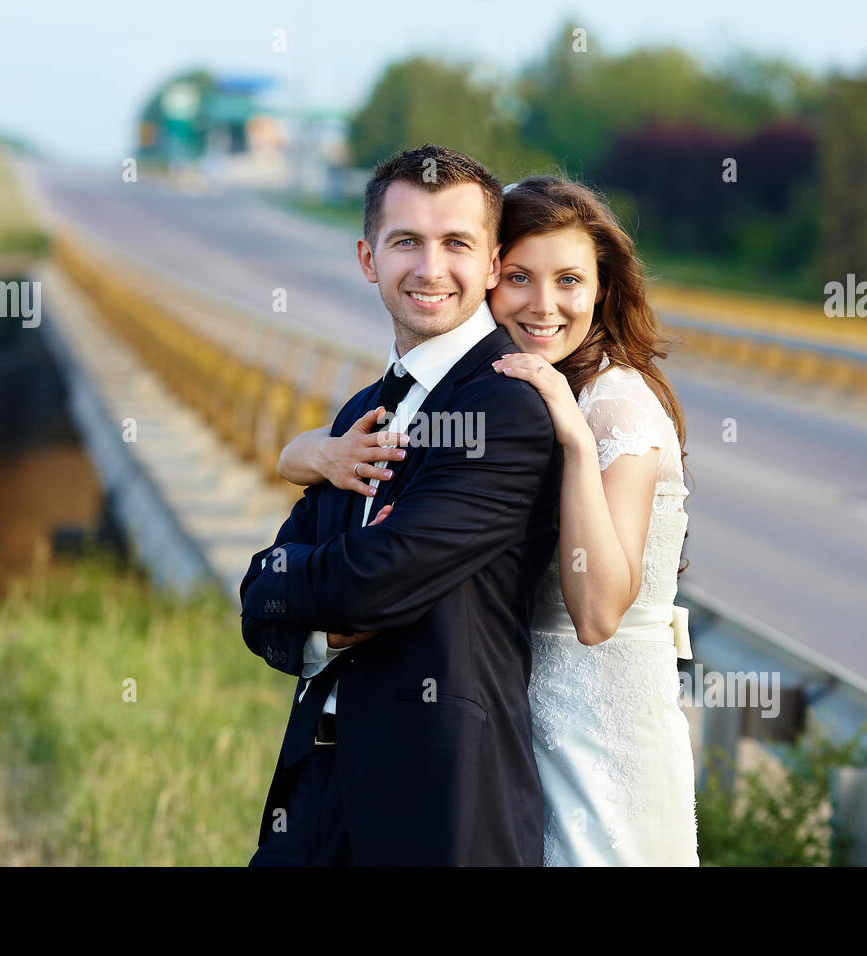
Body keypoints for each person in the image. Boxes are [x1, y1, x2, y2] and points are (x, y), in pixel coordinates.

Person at [278, 174, 698, 865]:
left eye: (569, 281)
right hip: (515, 724)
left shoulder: (614, 404)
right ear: (492, 274)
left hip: (602, 734)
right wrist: (319, 453)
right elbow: (300, 457)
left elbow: (596, 616)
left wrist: (574, 436)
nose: (543, 305)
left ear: (601, 289)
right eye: (521, 279)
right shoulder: (497, 393)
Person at [240, 145, 563, 865]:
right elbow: (256, 598)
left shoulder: (506, 408)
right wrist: (315, 619)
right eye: (406, 241)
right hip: (312, 796)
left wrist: (308, 580)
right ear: (367, 258)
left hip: (434, 809)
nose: (429, 267)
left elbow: (373, 579)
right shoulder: (363, 409)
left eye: (456, 243)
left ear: (491, 263)